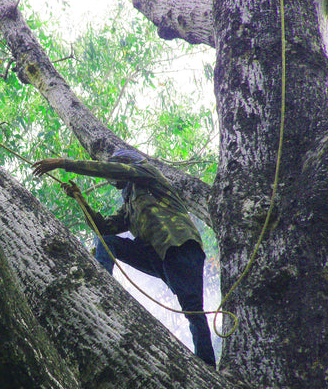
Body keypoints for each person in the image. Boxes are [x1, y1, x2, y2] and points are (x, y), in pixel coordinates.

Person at [32, 148, 216, 367]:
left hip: (179, 245)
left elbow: (114, 169)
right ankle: (100, 280)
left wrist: (64, 163)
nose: (114, 181)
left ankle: (207, 364)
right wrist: (79, 199)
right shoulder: (130, 206)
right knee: (107, 241)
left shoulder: (147, 174)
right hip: (157, 256)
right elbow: (103, 228)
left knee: (192, 309)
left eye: (117, 173)